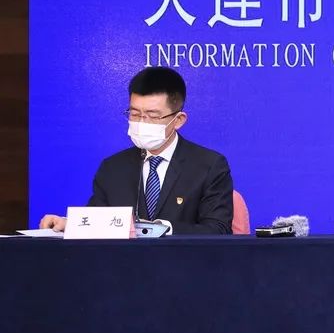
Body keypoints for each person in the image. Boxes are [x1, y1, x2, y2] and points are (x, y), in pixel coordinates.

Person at [39, 67, 234, 234]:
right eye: (134, 114)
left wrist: (161, 229)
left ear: (178, 120)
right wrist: (67, 225)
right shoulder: (113, 168)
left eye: (152, 116)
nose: (141, 123)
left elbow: (218, 229)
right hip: (124, 265)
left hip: (183, 265)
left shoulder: (208, 166)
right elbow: (97, 222)